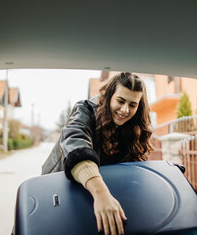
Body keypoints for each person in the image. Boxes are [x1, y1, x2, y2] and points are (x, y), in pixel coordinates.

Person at [42, 72, 153, 235]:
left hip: (101, 197)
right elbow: (76, 143)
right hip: (59, 192)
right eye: (120, 101)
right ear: (109, 96)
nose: (125, 110)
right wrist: (101, 193)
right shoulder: (85, 110)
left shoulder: (134, 126)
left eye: (132, 105)